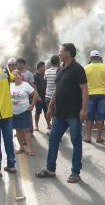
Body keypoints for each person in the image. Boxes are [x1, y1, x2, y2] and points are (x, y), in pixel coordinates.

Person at [35, 43, 88, 183]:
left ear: (69, 53)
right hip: (59, 114)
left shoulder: (78, 69)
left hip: (74, 114)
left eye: (61, 51)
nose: (59, 53)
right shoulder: (60, 69)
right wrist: (51, 107)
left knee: (76, 142)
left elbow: (84, 90)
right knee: (53, 140)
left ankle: (75, 172)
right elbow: (57, 90)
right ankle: (50, 169)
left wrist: (83, 109)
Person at [83, 50, 105, 144]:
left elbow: (82, 84)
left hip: (89, 94)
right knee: (100, 117)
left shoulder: (85, 68)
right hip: (102, 95)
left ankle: (88, 137)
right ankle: (99, 137)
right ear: (99, 58)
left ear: (91, 58)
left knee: (89, 117)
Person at [11, 70, 39, 156]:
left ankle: (29, 149)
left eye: (17, 75)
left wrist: (32, 105)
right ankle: (21, 148)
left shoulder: (25, 85)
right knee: (18, 130)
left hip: (25, 111)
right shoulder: (10, 86)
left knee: (27, 131)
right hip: (14, 112)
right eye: (13, 75)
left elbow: (36, 94)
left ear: (20, 76)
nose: (15, 76)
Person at [44, 55, 60, 134]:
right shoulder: (60, 71)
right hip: (57, 96)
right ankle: (55, 131)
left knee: (51, 113)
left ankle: (52, 130)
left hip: (47, 96)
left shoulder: (47, 72)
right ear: (58, 62)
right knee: (57, 115)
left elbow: (45, 80)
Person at [33, 61, 51, 131]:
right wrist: (37, 96)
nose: (44, 68)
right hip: (39, 98)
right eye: (44, 67)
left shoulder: (45, 75)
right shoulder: (35, 76)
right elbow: (34, 87)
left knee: (46, 111)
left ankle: (48, 124)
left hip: (45, 96)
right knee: (38, 112)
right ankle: (36, 125)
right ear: (40, 67)